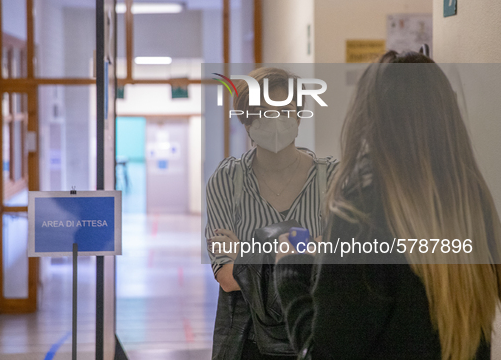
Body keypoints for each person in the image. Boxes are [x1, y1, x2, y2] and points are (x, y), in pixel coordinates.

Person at [275, 51, 501, 360]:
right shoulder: (473, 201)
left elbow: (324, 354)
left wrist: (289, 270)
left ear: (368, 118)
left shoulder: (360, 210)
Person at [205, 67, 338, 359]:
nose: (275, 120)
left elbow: (341, 260)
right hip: (249, 340)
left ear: (299, 115)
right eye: (264, 111)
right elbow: (227, 276)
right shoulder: (226, 180)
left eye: (286, 109)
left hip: (317, 333)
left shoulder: (332, 177)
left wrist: (247, 254)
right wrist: (308, 245)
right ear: (247, 122)